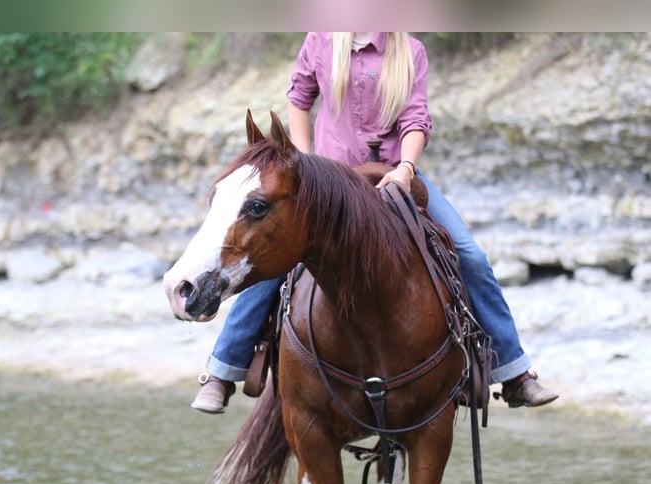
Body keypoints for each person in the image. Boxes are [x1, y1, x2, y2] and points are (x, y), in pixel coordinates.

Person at [192, 32, 558, 414]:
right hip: (330, 180)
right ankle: (223, 370)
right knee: (273, 256)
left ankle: (512, 371)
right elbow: (299, 99)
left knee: (471, 257)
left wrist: (405, 168)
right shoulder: (322, 40)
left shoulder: (410, 49)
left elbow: (416, 119)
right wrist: (301, 163)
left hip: (393, 176)